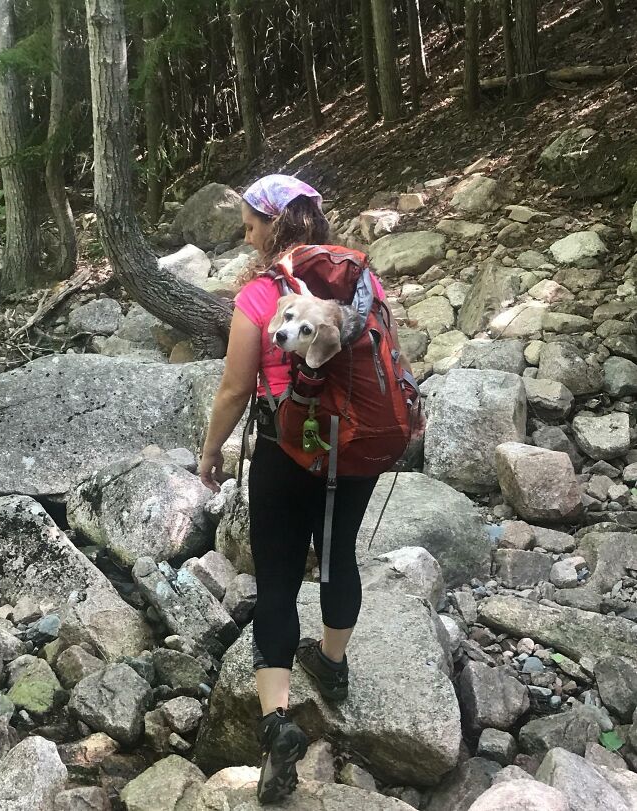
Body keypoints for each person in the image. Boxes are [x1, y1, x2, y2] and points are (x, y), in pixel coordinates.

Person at [198, 174, 408, 805]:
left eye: (252, 222)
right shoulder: (360, 285)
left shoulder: (261, 296)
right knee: (339, 553)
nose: (246, 233)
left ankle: (276, 726)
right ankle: (334, 665)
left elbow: (236, 389)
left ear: (275, 226)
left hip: (286, 448)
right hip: (353, 445)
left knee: (280, 580)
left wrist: (210, 452)